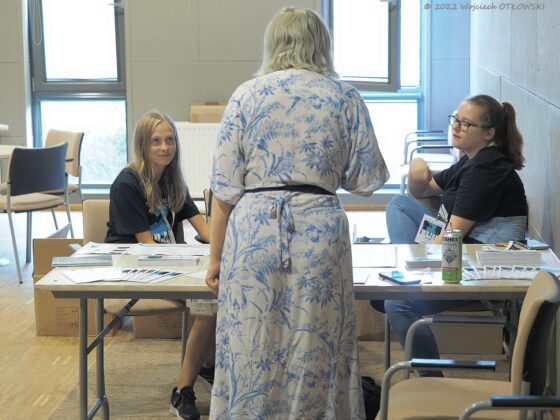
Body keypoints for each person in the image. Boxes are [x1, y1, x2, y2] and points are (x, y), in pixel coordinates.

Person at [204, 7, 389, 419]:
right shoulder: (344, 96)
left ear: (272, 44)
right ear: (322, 44)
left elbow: (224, 189)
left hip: (253, 229)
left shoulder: (246, 95)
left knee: (251, 342)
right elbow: (366, 179)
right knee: (318, 343)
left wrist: (215, 258)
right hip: (319, 227)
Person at [382, 94, 528, 376]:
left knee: (397, 302)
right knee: (399, 205)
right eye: (455, 119)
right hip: (463, 253)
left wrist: (420, 264)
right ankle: (406, 276)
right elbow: (422, 190)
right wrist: (417, 166)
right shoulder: (471, 160)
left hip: (481, 270)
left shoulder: (486, 168)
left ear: (489, 133)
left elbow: (452, 237)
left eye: (466, 123)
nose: (456, 127)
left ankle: (431, 379)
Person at [105, 110, 213, 420]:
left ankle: (204, 366)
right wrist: (192, 266)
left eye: (169, 140)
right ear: (142, 145)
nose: (165, 147)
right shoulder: (128, 183)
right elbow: (147, 247)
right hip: (134, 271)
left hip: (167, 265)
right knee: (209, 300)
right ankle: (184, 389)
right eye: (156, 141)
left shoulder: (171, 179)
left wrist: (223, 245)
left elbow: (202, 227)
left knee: (215, 295)